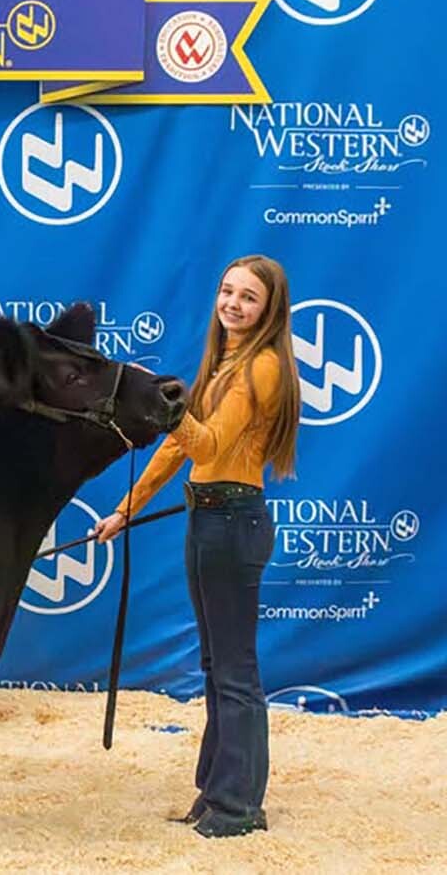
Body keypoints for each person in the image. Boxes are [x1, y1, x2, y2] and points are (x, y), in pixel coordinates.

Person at [92, 254, 302, 838]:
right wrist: (123, 511)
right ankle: (219, 795)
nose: (233, 303)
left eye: (248, 297)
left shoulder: (260, 366)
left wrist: (168, 412)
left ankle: (237, 807)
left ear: (269, 310)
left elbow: (204, 445)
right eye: (227, 291)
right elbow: (176, 451)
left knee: (234, 670)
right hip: (209, 519)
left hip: (232, 520)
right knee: (217, 666)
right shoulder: (223, 364)